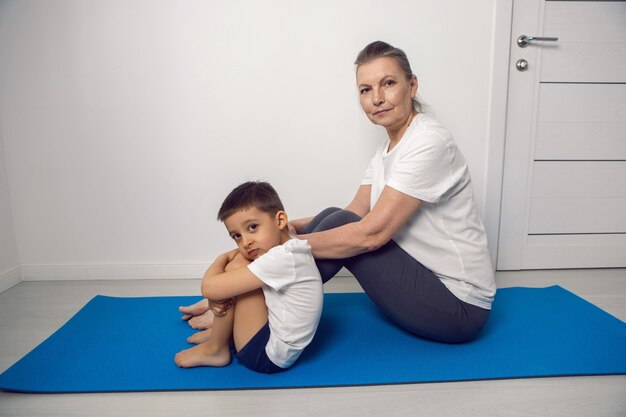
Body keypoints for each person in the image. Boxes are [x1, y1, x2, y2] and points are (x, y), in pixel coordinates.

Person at [182, 40, 496, 344]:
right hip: (422, 278)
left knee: (339, 224)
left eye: (388, 83)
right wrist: (284, 230)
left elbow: (371, 234)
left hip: (459, 306)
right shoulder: (388, 147)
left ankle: (241, 301)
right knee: (335, 215)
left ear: (412, 86)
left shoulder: (429, 141)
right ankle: (244, 299)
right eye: (365, 89)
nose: (377, 98)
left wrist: (281, 247)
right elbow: (356, 210)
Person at [174, 181, 323, 373]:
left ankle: (216, 349)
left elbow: (209, 288)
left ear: (280, 221)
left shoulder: (281, 259)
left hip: (267, 356)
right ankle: (223, 334)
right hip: (277, 340)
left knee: (236, 265)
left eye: (252, 227)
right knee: (241, 263)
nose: (246, 241)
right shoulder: (291, 247)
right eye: (236, 235)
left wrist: (223, 257)